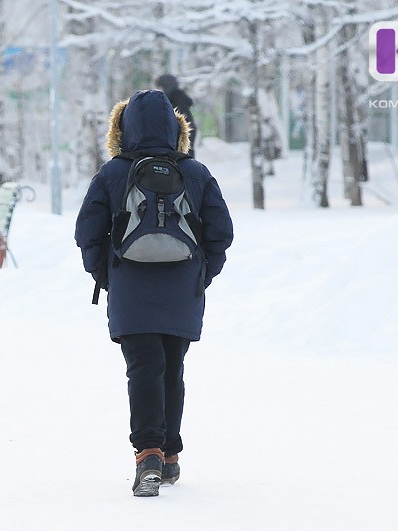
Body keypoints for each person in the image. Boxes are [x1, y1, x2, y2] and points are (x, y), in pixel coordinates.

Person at [74, 90, 233, 497]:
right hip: (183, 288)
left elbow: (87, 234)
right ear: (177, 128)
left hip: (130, 286)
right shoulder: (195, 172)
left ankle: (148, 453)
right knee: (172, 369)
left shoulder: (112, 173)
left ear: (121, 130)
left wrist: (108, 275)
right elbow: (221, 232)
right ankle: (171, 457)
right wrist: (202, 274)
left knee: (143, 368)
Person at [156, 74, 198, 158]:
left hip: (185, 131)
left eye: (162, 87)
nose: (161, 91)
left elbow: (179, 117)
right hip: (185, 130)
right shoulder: (177, 97)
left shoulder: (177, 99)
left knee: (185, 156)